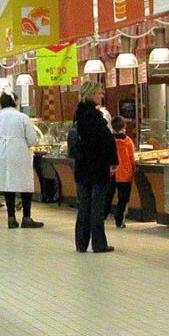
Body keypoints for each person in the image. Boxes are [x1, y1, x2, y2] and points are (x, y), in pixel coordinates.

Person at [71, 82, 117, 252]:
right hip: (97, 167)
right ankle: (99, 244)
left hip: (82, 168)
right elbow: (105, 142)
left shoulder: (79, 114)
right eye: (99, 93)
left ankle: (81, 243)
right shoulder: (94, 116)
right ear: (90, 94)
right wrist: (112, 161)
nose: (101, 96)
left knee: (84, 206)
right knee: (97, 207)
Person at [0, 93, 44, 230]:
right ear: (15, 101)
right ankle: (26, 217)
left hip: (2, 153)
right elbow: (32, 140)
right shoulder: (22, 117)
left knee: (8, 185)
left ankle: (11, 217)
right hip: (19, 153)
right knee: (24, 184)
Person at [111, 117, 136, 229]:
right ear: (124, 127)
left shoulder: (109, 140)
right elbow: (132, 158)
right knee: (123, 199)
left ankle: (103, 216)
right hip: (125, 173)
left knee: (108, 196)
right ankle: (119, 220)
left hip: (112, 173)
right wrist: (133, 170)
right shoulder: (128, 141)